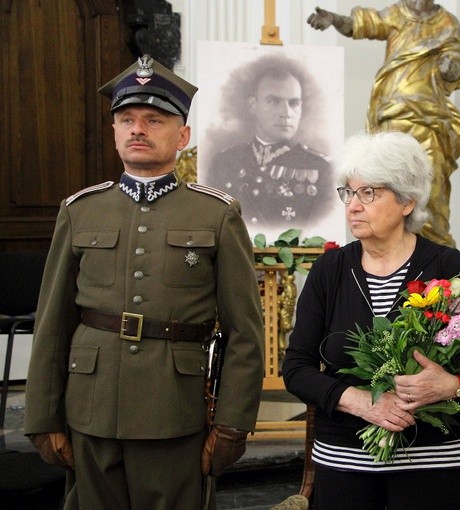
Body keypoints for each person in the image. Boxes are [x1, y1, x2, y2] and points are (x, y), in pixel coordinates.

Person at [23, 55, 265, 509]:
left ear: (183, 136)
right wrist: (42, 414)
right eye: (127, 119)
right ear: (114, 132)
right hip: (90, 407)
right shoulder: (80, 211)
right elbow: (52, 322)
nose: (138, 129)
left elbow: (245, 333)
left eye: (154, 119)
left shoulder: (216, 214)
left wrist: (233, 423)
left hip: (175, 410)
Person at [281, 131, 460, 510]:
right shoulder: (329, 270)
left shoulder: (446, 266)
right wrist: (362, 402)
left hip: (430, 460)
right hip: (343, 461)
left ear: (407, 201)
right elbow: (296, 369)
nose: (353, 206)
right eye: (349, 192)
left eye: (369, 193)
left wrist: (452, 384)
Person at [307, 1, 460, 248]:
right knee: (382, 185)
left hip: (430, 120)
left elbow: (457, 59)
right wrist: (335, 19)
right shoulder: (397, 13)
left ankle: (433, 251)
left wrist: (451, 66)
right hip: (392, 113)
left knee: (432, 182)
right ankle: (386, 245)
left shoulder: (447, 22)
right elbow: (363, 24)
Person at [206, 53, 334, 232]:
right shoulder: (224, 162)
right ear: (252, 105)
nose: (286, 113)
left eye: (294, 103)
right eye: (274, 101)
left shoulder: (322, 168)